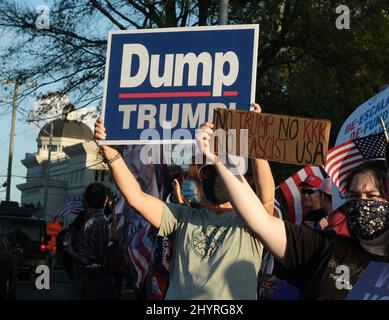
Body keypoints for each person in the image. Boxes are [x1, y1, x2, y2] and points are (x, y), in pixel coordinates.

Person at [93, 107, 274, 299]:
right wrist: (110, 151)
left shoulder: (251, 222)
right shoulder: (182, 217)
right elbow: (135, 197)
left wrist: (255, 134)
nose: (214, 177)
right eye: (207, 172)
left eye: (221, 169)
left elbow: (267, 198)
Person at [197, 123, 389, 300]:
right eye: (354, 197)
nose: (362, 204)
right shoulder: (325, 248)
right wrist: (220, 161)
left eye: (371, 196)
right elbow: (260, 221)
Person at [64, 183, 113, 299]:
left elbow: (85, 259)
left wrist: (70, 251)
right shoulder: (105, 221)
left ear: (85, 200)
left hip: (86, 279)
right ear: (105, 201)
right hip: (101, 276)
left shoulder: (90, 223)